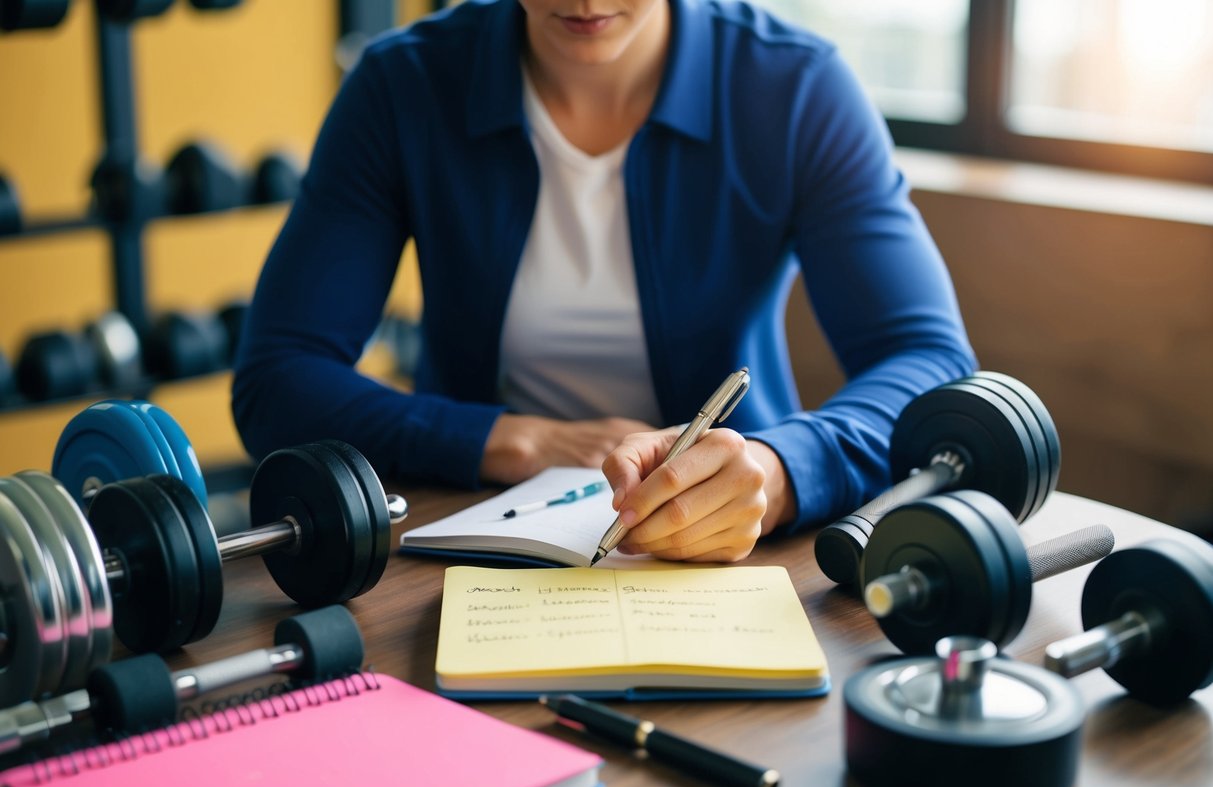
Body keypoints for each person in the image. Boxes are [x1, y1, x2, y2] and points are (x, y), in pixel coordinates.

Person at [231, 0, 976, 564]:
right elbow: (276, 382)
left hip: (727, 534)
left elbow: (931, 364)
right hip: (471, 529)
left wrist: (781, 468)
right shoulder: (402, 87)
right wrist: (518, 442)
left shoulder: (793, 88)